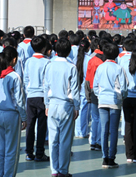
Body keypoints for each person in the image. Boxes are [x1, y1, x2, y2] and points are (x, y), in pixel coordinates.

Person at [43, 37, 79, 177]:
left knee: (53, 139)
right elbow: (75, 90)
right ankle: (63, 170)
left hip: (52, 104)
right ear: (69, 51)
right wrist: (77, 107)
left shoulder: (49, 65)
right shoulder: (71, 67)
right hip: (66, 105)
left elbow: (46, 86)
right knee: (65, 139)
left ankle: (54, 170)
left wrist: (46, 103)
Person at [0, 47, 27, 177]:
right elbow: (20, 100)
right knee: (11, 150)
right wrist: (24, 117)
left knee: (0, 148)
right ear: (14, 59)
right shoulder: (14, 76)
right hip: (12, 114)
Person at [93, 42, 128, 168]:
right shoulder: (119, 68)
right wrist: (121, 98)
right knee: (113, 131)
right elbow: (123, 88)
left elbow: (95, 86)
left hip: (102, 101)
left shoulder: (100, 67)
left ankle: (104, 157)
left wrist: (99, 95)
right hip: (115, 101)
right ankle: (111, 158)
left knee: (104, 130)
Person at [23, 36, 51, 162]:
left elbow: (25, 79)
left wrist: (28, 91)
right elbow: (48, 82)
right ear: (44, 48)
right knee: (41, 126)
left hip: (30, 96)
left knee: (30, 125)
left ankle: (29, 152)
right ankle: (40, 152)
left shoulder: (28, 61)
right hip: (42, 97)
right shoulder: (47, 62)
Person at [84, 39, 104, 151]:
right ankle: (99, 141)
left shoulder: (92, 60)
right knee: (102, 118)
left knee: (95, 118)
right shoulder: (105, 61)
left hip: (92, 91)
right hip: (102, 92)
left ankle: (93, 141)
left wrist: (87, 95)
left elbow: (87, 79)